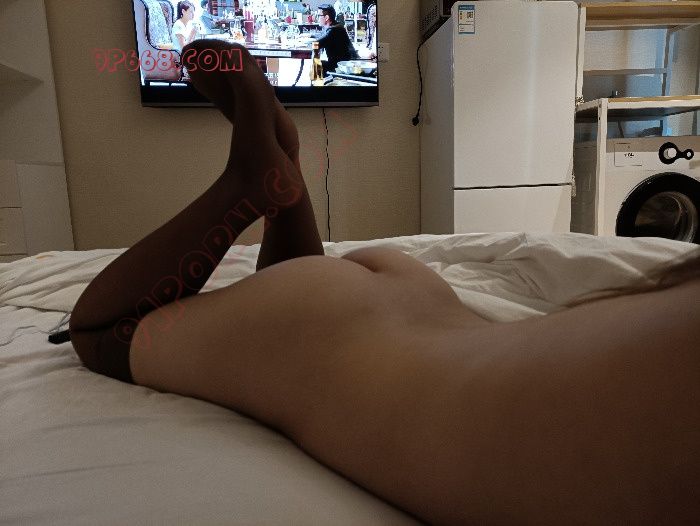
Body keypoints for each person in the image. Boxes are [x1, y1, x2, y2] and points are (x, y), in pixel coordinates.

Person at [69, 39, 700, 525]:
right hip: (348, 323)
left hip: (408, 301)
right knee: (99, 333)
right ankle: (250, 181)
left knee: (293, 297)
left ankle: (279, 177)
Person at [314, 4, 358, 72]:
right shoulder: (337, 26)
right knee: (318, 63)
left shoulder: (333, 30)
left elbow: (316, 44)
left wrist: (304, 44)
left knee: (316, 64)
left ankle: (322, 80)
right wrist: (310, 36)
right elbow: (322, 36)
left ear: (326, 18)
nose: (316, 18)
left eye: (318, 16)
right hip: (343, 63)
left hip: (341, 67)